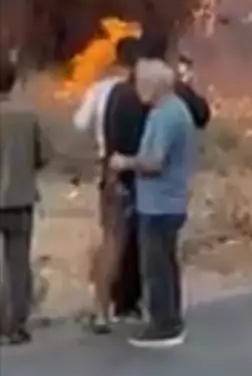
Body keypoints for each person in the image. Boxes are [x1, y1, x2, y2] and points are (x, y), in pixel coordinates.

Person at [105, 35, 211, 325]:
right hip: (155, 188)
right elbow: (203, 115)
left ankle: (139, 309)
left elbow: (115, 136)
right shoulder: (175, 97)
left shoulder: (131, 96)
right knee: (158, 254)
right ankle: (158, 311)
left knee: (141, 250)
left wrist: (120, 166)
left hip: (142, 184)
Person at [87, 35, 142, 332]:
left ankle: (103, 308)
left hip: (110, 169)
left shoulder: (101, 89)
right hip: (129, 173)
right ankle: (124, 304)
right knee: (127, 241)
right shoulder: (137, 91)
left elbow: (80, 124)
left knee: (112, 240)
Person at [0, 60, 46, 345]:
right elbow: (43, 156)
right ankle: (16, 325)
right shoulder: (27, 116)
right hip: (20, 199)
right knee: (18, 265)